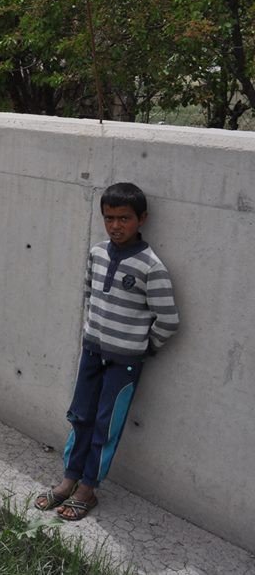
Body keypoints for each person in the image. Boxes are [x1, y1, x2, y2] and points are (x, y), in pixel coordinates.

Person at [35, 182, 179, 521]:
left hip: (124, 362)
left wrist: (144, 347)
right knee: (80, 415)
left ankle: (88, 488)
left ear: (142, 218)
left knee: (105, 424)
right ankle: (69, 479)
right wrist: (93, 333)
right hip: (92, 352)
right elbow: (89, 295)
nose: (116, 226)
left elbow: (169, 320)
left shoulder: (150, 266)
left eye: (124, 218)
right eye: (109, 218)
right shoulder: (97, 253)